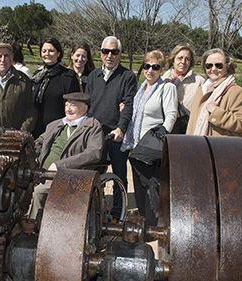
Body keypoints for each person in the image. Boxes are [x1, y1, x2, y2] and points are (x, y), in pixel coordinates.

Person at [122, 50, 177, 225]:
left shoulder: (167, 87)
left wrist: (163, 134)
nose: (150, 70)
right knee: (138, 185)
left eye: (155, 67)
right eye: (147, 66)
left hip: (151, 146)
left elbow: (171, 113)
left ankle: (155, 224)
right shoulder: (141, 88)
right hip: (135, 145)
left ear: (161, 69)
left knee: (152, 186)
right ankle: (143, 219)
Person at [84, 36, 136, 221]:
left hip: (115, 134)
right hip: (95, 134)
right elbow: (86, 104)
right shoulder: (93, 76)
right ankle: (94, 211)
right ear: (101, 53)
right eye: (106, 51)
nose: (110, 55)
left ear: (120, 54)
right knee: (95, 174)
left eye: (114, 52)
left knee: (119, 175)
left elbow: (128, 104)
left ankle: (117, 214)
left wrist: (121, 128)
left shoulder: (127, 76)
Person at [30, 92, 104, 218]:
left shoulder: (92, 126)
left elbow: (93, 153)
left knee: (38, 192)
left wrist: (61, 165)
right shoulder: (54, 125)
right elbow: (38, 142)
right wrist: (33, 154)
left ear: (85, 108)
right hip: (41, 173)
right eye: (67, 105)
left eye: (73, 105)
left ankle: (31, 227)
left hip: (70, 175)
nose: (68, 109)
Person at [186, 48, 242, 137]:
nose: (213, 69)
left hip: (219, 147)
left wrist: (216, 111)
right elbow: (192, 123)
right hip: (196, 145)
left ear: (227, 66)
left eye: (218, 65)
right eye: (209, 66)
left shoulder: (236, 91)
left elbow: (241, 124)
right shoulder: (201, 89)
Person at [31, 37, 81, 137]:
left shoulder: (68, 76)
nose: (47, 54)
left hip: (57, 131)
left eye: (51, 51)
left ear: (58, 53)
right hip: (35, 129)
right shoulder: (37, 76)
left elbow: (74, 107)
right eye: (44, 51)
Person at [162, 44, 205, 134]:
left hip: (186, 129)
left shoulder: (199, 81)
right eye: (180, 58)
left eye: (187, 59)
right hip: (162, 126)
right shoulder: (163, 79)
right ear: (173, 60)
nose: (183, 61)